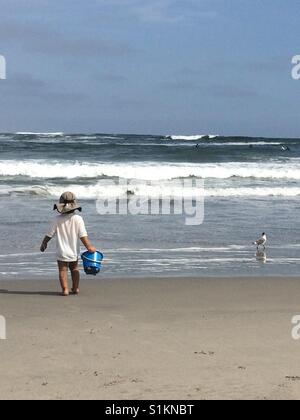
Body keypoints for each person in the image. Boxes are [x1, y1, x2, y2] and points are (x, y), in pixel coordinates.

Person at [40, 192, 97, 296]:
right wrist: (89, 247)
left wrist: (44, 243)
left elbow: (49, 234)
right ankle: (75, 288)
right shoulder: (78, 219)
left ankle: (65, 289)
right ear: (74, 205)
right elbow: (83, 236)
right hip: (73, 251)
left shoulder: (57, 219)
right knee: (74, 269)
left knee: (62, 270)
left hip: (61, 251)